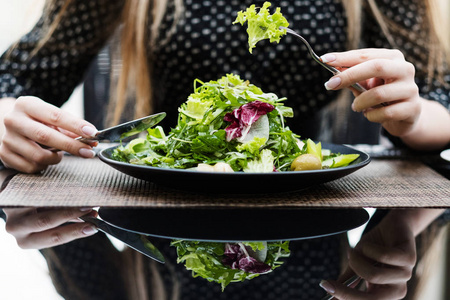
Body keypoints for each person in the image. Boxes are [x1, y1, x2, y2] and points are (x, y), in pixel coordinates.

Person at [0, 0, 449, 299]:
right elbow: (18, 78)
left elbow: (440, 100)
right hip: (162, 228)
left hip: (312, 230)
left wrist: (412, 115)